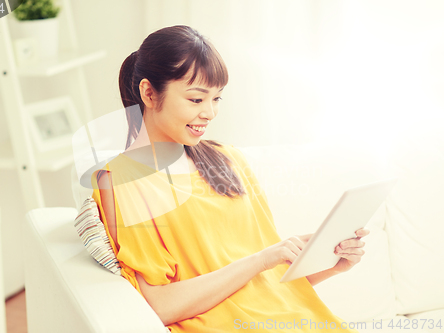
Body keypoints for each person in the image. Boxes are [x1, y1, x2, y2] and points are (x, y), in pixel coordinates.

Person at [91, 25, 369, 332]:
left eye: (217, 99)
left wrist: (329, 262)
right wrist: (263, 258)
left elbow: (269, 284)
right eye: (196, 100)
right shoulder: (121, 181)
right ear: (148, 92)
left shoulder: (228, 159)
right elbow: (160, 306)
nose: (210, 113)